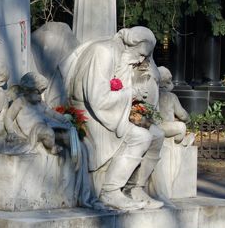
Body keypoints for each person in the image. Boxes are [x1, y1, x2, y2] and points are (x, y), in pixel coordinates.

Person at [46, 26, 165, 210]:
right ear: (131, 43)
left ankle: (134, 188)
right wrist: (131, 93)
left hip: (110, 112)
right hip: (91, 115)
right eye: (141, 54)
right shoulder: (103, 52)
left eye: (145, 57)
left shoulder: (123, 56)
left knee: (157, 135)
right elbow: (98, 99)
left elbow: (144, 78)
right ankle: (110, 192)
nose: (142, 60)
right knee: (140, 137)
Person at [5, 72, 71, 155]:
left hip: (46, 126)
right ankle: (52, 147)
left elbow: (52, 113)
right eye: (38, 93)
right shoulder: (20, 102)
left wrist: (64, 120)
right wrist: (11, 131)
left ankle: (72, 159)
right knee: (48, 133)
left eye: (41, 93)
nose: (40, 96)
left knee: (66, 135)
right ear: (28, 91)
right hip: (33, 131)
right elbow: (9, 117)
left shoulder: (40, 103)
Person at [158, 66, 195, 146]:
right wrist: (188, 120)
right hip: (164, 126)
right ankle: (182, 142)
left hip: (153, 126)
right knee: (182, 127)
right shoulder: (171, 96)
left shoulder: (152, 94)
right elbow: (182, 115)